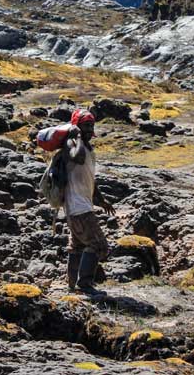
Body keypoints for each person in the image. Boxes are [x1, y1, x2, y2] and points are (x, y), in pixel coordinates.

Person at [64, 108, 116, 296]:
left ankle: (72, 287)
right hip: (78, 208)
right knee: (98, 245)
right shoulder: (72, 144)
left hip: (79, 207)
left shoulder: (86, 147)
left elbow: (89, 180)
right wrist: (76, 135)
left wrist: (101, 200)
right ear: (77, 126)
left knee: (77, 246)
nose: (89, 129)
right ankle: (84, 285)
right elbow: (76, 158)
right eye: (85, 125)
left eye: (91, 125)